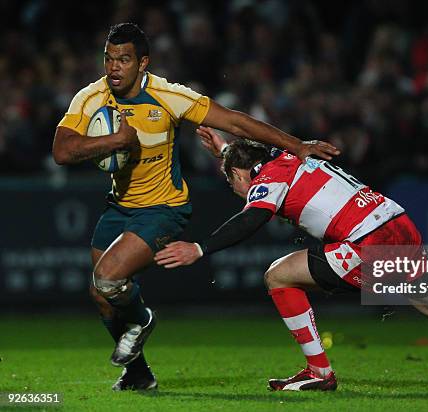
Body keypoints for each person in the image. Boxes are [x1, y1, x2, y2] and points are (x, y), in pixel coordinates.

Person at [154, 128, 428, 391]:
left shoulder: (266, 181)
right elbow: (248, 161)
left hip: (369, 241)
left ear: (242, 175)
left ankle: (320, 373)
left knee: (278, 277)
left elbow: (252, 217)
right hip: (397, 222)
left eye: (232, 182)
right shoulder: (287, 157)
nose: (235, 189)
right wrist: (225, 150)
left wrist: (200, 248)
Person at [52, 23, 339, 391]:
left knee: (108, 279)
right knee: (102, 295)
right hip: (119, 206)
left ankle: (143, 318)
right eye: (109, 59)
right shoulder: (90, 98)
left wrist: (297, 145)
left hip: (165, 207)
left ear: (143, 63)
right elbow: (62, 152)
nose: (114, 68)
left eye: (123, 60)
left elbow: (234, 121)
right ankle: (139, 374)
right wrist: (116, 140)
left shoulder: (167, 95)